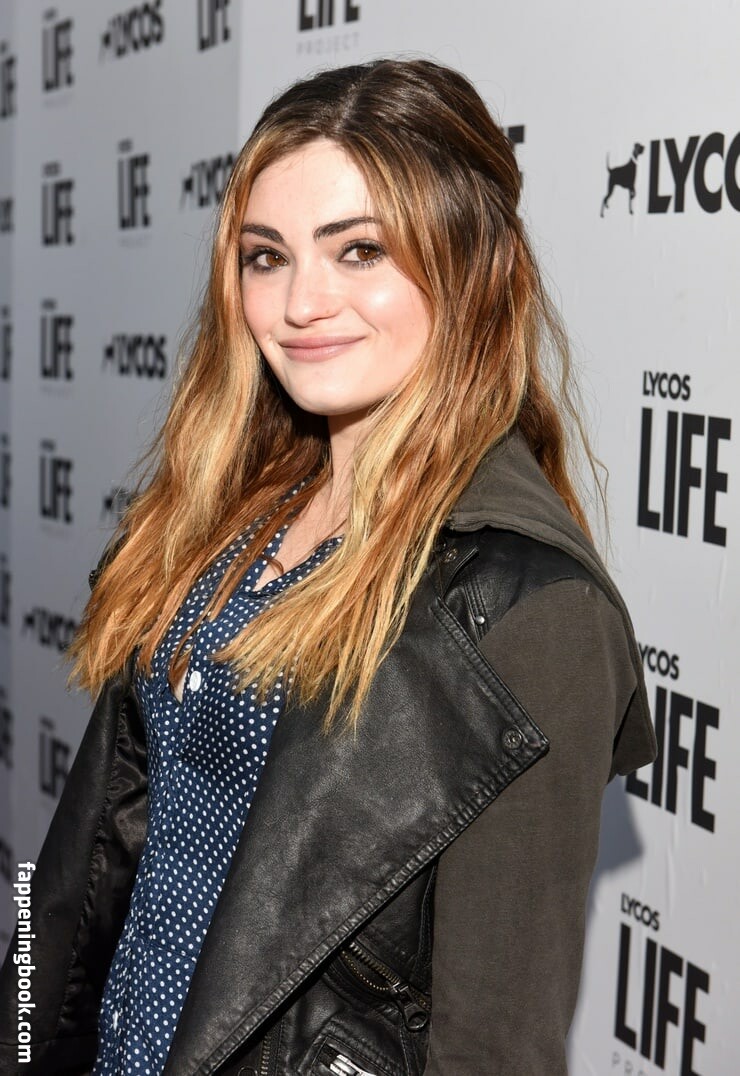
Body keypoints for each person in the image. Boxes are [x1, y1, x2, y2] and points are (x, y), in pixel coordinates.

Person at [0, 58, 656, 1075]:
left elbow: (494, 1045)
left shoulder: (529, 608)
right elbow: (105, 858)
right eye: (266, 257)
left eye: (359, 250)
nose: (301, 301)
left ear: (472, 264)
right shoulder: (234, 509)